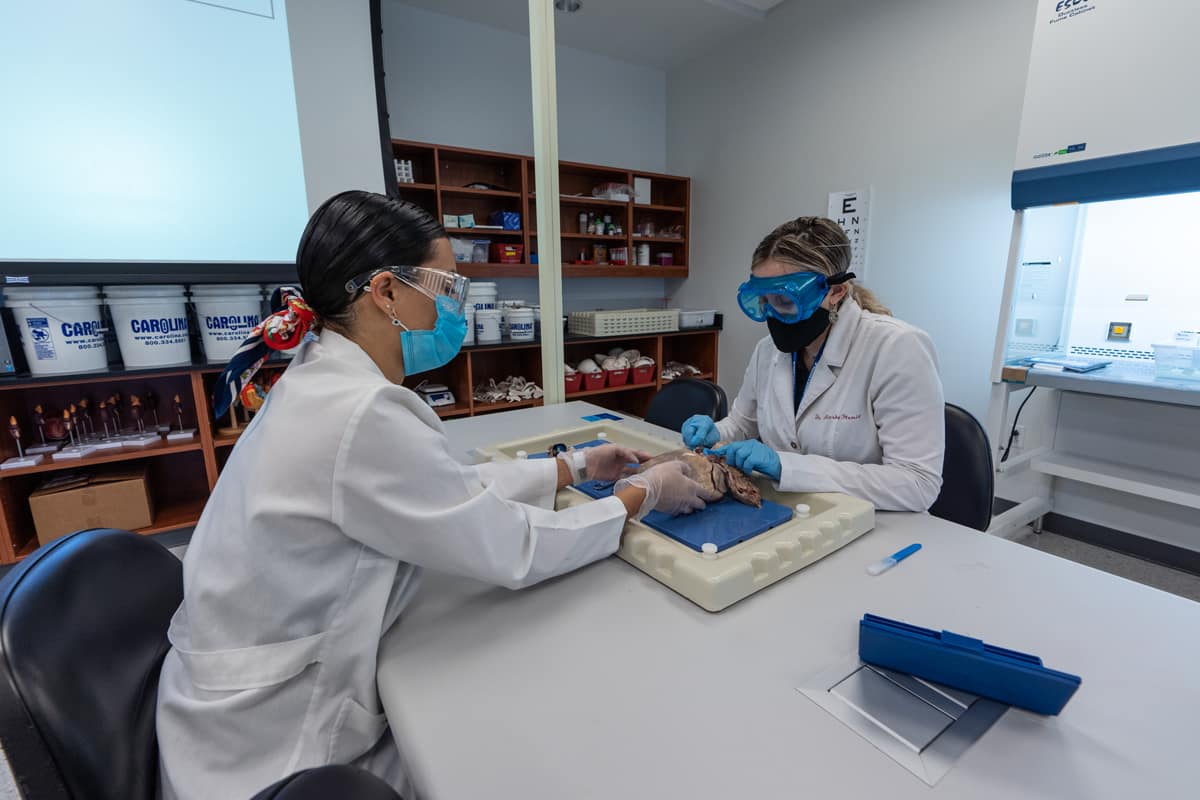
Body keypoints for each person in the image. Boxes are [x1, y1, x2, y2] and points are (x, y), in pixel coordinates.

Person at [155, 191, 709, 799]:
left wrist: (574, 467)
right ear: (386, 292)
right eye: (447, 286)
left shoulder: (325, 377)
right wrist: (638, 495)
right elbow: (509, 548)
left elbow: (441, 487)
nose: (456, 305)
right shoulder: (358, 411)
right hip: (269, 738)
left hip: (235, 690)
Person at [682, 216, 944, 511]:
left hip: (875, 524)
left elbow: (918, 484)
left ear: (835, 292)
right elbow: (743, 422)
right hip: (788, 513)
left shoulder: (896, 348)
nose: (773, 315)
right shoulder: (767, 352)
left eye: (785, 301)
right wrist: (718, 432)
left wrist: (788, 467)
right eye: (764, 301)